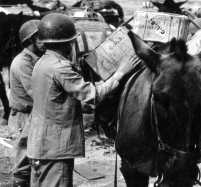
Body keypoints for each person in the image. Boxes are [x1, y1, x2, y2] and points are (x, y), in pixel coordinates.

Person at [26, 13, 140, 187]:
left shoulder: (42, 63)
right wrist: (120, 73)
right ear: (68, 43)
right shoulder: (60, 68)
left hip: (41, 145)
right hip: (55, 147)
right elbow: (93, 94)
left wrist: (77, 106)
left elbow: (53, 100)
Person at [8, 19, 46, 187]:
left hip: (32, 115)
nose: (46, 43)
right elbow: (37, 94)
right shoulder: (23, 62)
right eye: (41, 39)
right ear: (30, 40)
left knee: (36, 162)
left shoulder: (36, 59)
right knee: (23, 165)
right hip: (23, 118)